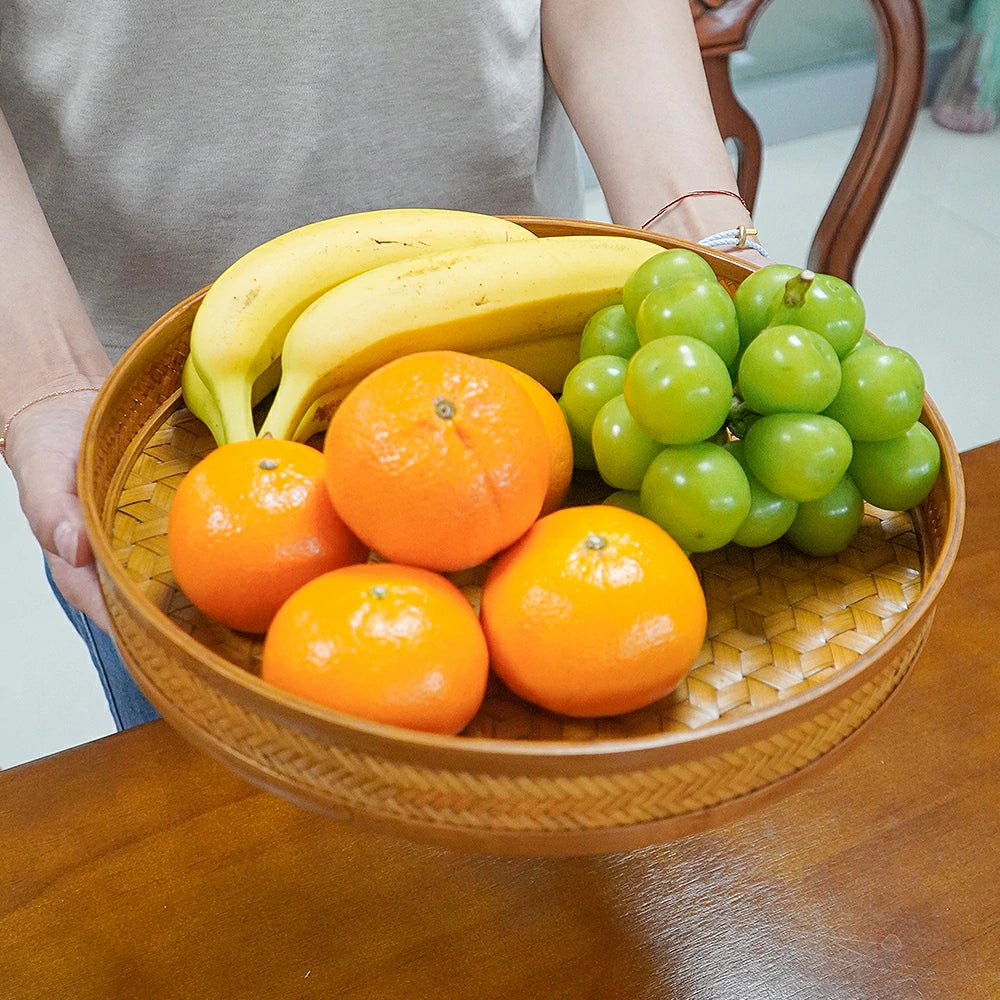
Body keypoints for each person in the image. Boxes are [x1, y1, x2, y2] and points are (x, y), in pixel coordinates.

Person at [0, 1, 768, 730]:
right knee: (226, 846)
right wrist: (47, 379)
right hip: (151, 420)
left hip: (530, 365)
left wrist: (703, 235)